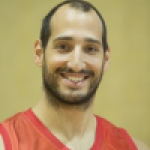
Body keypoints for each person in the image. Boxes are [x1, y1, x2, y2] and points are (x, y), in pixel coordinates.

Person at [0, 0, 149, 149]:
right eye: (63, 46)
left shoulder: (134, 147)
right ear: (39, 53)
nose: (76, 64)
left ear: (106, 59)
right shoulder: (6, 142)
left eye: (91, 49)